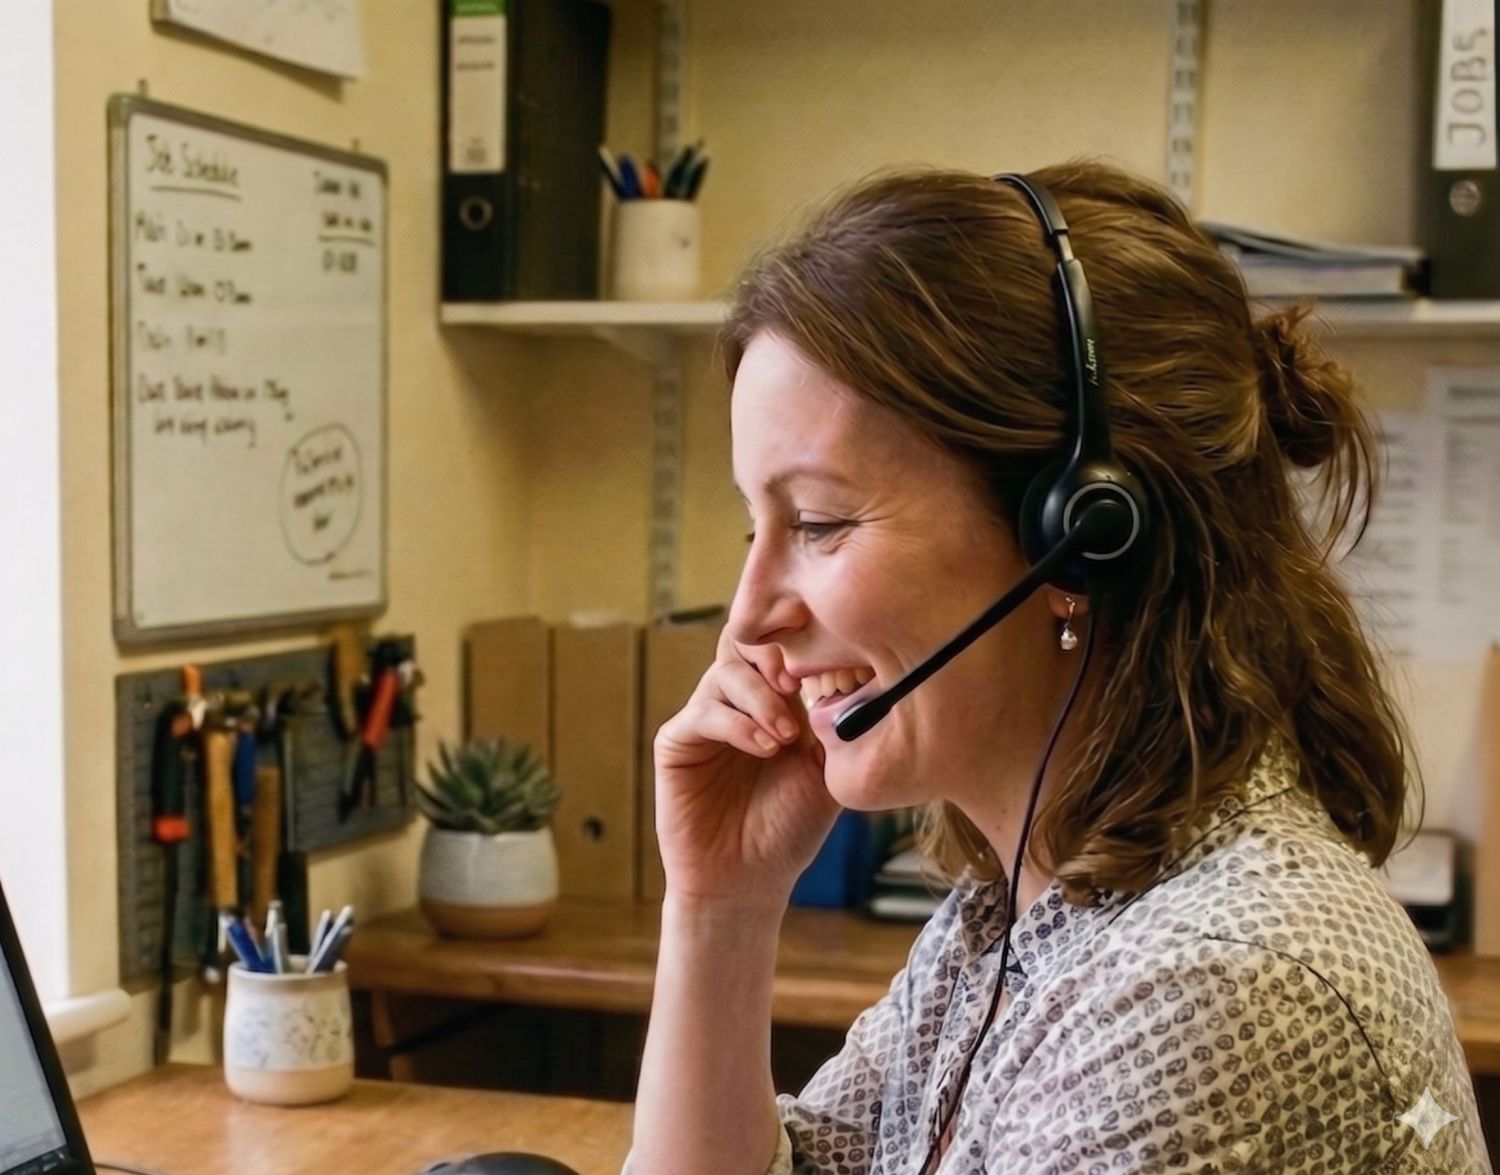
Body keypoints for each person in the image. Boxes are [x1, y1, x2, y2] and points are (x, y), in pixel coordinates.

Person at [625, 159, 1491, 1173]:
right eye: (754, 527)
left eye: (817, 521)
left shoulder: (1217, 984)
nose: (750, 617)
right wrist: (720, 909)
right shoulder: (1025, 911)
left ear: (1082, 535)